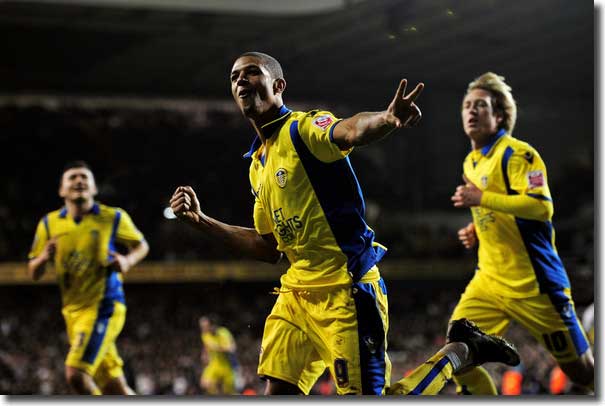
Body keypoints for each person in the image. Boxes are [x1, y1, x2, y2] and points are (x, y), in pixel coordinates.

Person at [170, 52, 519, 395]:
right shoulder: (257, 163)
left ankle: (461, 352)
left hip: (346, 290)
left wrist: (386, 118)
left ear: (278, 85)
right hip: (296, 293)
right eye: (234, 76)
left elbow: (350, 129)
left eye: (250, 72)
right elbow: (268, 248)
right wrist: (202, 222)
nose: (240, 80)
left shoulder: (302, 129)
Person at [449, 72, 594, 395]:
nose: (471, 111)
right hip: (488, 281)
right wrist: (477, 230)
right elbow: (496, 210)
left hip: (535, 285)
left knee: (582, 372)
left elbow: (541, 208)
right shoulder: (471, 161)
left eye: (481, 106)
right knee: (456, 351)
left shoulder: (519, 155)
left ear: (499, 115)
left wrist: (481, 199)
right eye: (467, 106)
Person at [28, 160, 149, 395]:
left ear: (94, 188)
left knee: (76, 374)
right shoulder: (48, 224)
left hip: (104, 305)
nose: (79, 181)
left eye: (84, 177)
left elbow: (141, 245)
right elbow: (33, 272)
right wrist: (43, 257)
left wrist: (127, 261)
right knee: (116, 388)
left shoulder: (112, 217)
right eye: (72, 177)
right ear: (61, 190)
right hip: (72, 312)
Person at [198, 315, 239, 395]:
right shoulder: (205, 335)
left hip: (227, 366)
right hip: (214, 364)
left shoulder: (223, 332)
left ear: (212, 325)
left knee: (230, 393)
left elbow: (232, 348)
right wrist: (204, 354)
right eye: (201, 327)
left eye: (205, 326)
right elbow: (207, 346)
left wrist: (219, 347)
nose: (203, 329)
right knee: (204, 384)